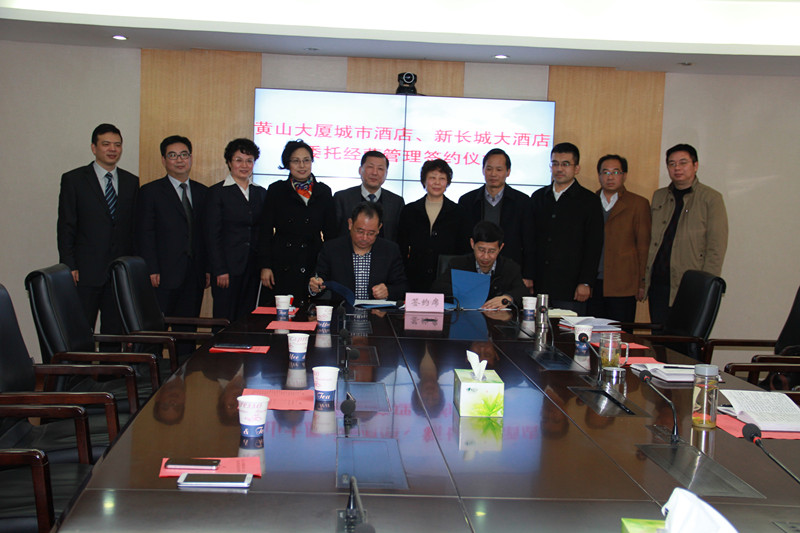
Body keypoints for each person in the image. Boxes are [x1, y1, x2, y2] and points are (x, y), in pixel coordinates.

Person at [57, 123, 138, 338]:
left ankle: (110, 363)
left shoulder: (131, 182)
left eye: (117, 145)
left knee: (114, 332)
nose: (113, 149)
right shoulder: (74, 180)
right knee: (81, 331)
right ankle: (80, 363)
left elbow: (133, 229)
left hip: (118, 272)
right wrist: (69, 265)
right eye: (106, 144)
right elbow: (66, 226)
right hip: (85, 271)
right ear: (94, 148)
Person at [137, 135, 209, 352]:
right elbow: (144, 233)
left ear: (191, 158)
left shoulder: (203, 192)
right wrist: (151, 268)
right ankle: (152, 369)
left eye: (184, 155)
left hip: (194, 274)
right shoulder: (150, 192)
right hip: (162, 274)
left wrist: (207, 268)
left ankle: (184, 369)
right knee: (155, 329)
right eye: (173, 155)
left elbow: (206, 235)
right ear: (163, 160)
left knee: (187, 330)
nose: (179, 160)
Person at [645, 143, 728, 324]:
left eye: (683, 163)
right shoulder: (659, 196)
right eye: (672, 164)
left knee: (685, 337)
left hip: (689, 284)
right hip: (659, 282)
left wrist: (707, 285)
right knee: (659, 335)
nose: (677, 168)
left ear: (695, 165)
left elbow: (716, 247)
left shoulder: (711, 198)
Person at [258, 139, 337, 304]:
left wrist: (328, 267)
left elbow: (331, 234)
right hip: (282, 261)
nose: (302, 166)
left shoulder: (323, 191)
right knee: (282, 310)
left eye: (306, 160)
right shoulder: (276, 190)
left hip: (313, 260)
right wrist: (265, 266)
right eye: (296, 161)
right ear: (287, 164)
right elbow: (264, 231)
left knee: (311, 310)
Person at [529, 142, 604, 314]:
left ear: (576, 168)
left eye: (565, 164)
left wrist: (586, 282)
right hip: (540, 284)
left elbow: (593, 245)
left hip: (572, 287)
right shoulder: (538, 197)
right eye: (555, 163)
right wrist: (529, 275)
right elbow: (530, 240)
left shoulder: (589, 201)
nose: (559, 169)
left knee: (567, 329)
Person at [205, 138, 267, 321]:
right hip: (227, 269)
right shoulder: (217, 192)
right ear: (229, 162)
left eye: (249, 160)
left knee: (247, 318)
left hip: (253, 268)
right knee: (224, 318)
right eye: (239, 160)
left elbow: (263, 231)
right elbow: (212, 235)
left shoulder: (261, 193)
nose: (244, 165)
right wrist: (219, 269)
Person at [586, 155, 650, 323]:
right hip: (592, 283)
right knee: (593, 332)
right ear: (599, 175)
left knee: (621, 333)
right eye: (605, 172)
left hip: (624, 284)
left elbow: (643, 247)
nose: (610, 177)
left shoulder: (638, 204)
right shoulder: (589, 202)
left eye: (616, 172)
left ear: (624, 175)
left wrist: (642, 283)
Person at [458, 148, 533, 289]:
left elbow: (529, 241)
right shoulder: (467, 201)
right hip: (473, 272)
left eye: (499, 169)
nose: (493, 174)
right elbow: (462, 240)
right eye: (489, 169)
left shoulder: (522, 202)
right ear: (483, 170)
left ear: (508, 172)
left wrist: (528, 275)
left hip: (509, 271)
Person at [309, 202, 408, 302]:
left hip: (376, 310)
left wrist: (388, 291)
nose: (364, 238)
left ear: (379, 228)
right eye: (360, 231)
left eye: (371, 233)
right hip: (341, 309)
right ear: (350, 224)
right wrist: (315, 286)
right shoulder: (332, 249)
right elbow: (318, 279)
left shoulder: (390, 250)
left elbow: (402, 286)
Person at [396, 159, 470, 292]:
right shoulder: (409, 211)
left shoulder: (459, 212)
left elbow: (463, 251)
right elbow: (401, 248)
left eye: (442, 178)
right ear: (424, 180)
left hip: (447, 280)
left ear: (447, 182)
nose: (437, 182)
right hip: (414, 279)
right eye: (432, 178)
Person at [432, 221, 527, 308]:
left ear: (500, 248)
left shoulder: (510, 267)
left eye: (492, 251)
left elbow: (522, 292)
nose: (485, 256)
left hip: (497, 318)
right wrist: (462, 291)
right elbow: (437, 287)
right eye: (481, 250)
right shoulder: (458, 264)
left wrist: (508, 298)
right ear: (472, 243)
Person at [333, 150, 405, 241]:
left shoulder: (396, 202)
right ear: (360, 170)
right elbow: (334, 234)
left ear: (386, 173)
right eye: (370, 167)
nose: (374, 173)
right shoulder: (342, 198)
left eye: (380, 169)